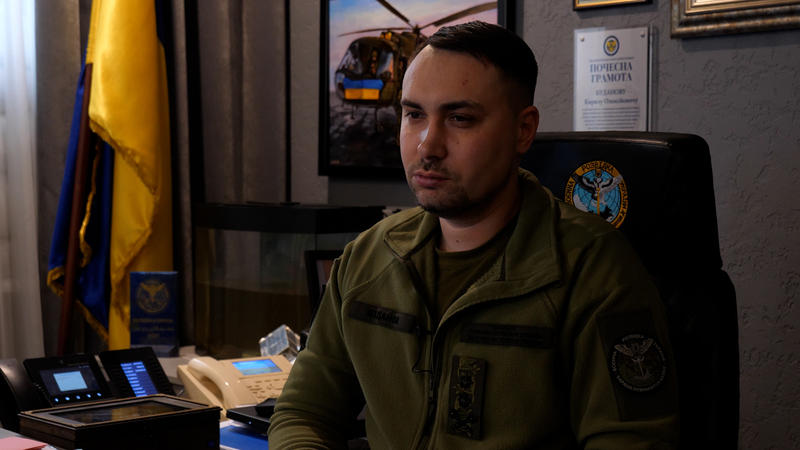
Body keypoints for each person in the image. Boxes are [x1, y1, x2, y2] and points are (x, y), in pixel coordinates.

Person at [268, 21, 679, 449]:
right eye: (414, 115)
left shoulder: (593, 270)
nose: (428, 146)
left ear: (523, 130)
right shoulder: (368, 257)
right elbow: (303, 413)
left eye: (460, 119)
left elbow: (630, 441)